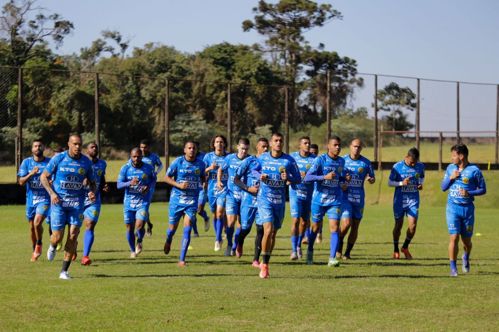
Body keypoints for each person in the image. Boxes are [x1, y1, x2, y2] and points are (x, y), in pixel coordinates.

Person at [40, 134, 96, 280]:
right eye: (75, 144)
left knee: (73, 235)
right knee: (57, 237)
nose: (78, 147)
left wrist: (91, 191)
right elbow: (43, 177)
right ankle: (52, 246)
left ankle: (64, 271)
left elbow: (93, 182)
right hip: (59, 203)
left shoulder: (86, 162)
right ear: (69, 144)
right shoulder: (59, 158)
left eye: (79, 144)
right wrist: (52, 193)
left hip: (77, 204)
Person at [255, 133, 301, 278]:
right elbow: (253, 170)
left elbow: (298, 178)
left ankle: (266, 260)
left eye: (281, 141)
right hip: (264, 200)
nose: (278, 143)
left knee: (273, 233)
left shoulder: (289, 160)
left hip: (279, 202)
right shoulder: (262, 158)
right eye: (276, 141)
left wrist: (288, 178)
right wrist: (259, 176)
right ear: (270, 143)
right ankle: (264, 264)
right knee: (267, 230)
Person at [441, 144, 486, 277]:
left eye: (454, 155)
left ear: (461, 156)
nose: (452, 158)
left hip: (467, 210)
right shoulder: (450, 168)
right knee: (454, 237)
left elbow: (483, 189)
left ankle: (466, 256)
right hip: (452, 208)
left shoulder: (474, 170)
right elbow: (443, 187)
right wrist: (451, 178)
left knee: (466, 242)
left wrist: (469, 193)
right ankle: (453, 268)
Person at [304, 136, 349, 267]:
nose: (338, 147)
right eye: (335, 145)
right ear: (328, 146)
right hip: (318, 200)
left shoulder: (341, 161)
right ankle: (310, 251)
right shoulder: (320, 160)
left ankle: (332, 258)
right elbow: (307, 178)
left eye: (339, 145)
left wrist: (343, 182)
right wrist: (324, 177)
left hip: (335, 200)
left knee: (334, 227)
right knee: (315, 227)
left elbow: (340, 178)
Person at [163, 141, 206, 266]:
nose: (192, 150)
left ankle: (182, 259)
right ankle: (168, 239)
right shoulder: (178, 162)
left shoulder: (201, 164)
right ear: (185, 150)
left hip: (192, 201)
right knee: (172, 229)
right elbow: (166, 178)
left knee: (187, 228)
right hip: (177, 201)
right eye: (189, 148)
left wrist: (204, 183)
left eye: (194, 148)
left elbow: (203, 177)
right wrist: (179, 185)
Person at [337, 138, 375, 259]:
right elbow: (336, 178)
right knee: (347, 223)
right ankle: (338, 245)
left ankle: (347, 253)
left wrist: (371, 180)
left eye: (359, 147)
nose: (356, 149)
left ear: (361, 148)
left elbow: (372, 178)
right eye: (354, 146)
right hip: (345, 197)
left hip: (359, 199)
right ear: (350, 146)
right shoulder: (342, 161)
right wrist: (342, 182)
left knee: (355, 226)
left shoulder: (366, 163)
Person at [233, 138, 268, 265]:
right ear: (257, 147)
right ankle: (240, 242)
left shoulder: (270, 162)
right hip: (248, 201)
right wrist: (249, 188)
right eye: (263, 146)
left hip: (263, 202)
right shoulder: (249, 161)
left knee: (260, 229)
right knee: (246, 228)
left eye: (267, 147)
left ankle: (255, 260)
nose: (266, 149)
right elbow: (236, 180)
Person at [117, 148, 156, 258]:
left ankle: (139, 240)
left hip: (143, 201)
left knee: (139, 225)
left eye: (138, 156)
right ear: (131, 156)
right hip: (129, 202)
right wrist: (130, 182)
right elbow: (118, 185)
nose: (136, 159)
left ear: (141, 157)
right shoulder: (125, 168)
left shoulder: (148, 168)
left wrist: (148, 187)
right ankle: (132, 250)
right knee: (129, 227)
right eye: (134, 156)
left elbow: (153, 179)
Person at [17, 139, 51, 262]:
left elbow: (56, 177)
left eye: (40, 146)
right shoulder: (26, 162)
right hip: (31, 200)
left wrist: (51, 181)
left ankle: (39, 244)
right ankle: (34, 248)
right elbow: (21, 182)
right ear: (32, 149)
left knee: (37, 222)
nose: (38, 148)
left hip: (45, 199)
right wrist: (31, 174)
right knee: (32, 227)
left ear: (44, 148)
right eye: (35, 146)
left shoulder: (50, 162)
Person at [388, 147, 425, 259]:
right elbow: (390, 182)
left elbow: (421, 178)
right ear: (406, 157)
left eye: (415, 162)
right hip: (399, 200)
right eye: (411, 162)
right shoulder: (397, 167)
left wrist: (419, 184)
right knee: (398, 225)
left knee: (412, 226)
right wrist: (401, 183)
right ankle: (395, 248)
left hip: (413, 200)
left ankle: (404, 247)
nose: (413, 165)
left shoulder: (420, 166)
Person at [218, 138, 250, 256]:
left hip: (245, 196)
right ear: (237, 147)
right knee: (231, 222)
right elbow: (220, 169)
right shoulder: (230, 158)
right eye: (242, 149)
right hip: (231, 195)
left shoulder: (251, 160)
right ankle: (230, 244)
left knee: (242, 224)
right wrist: (218, 181)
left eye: (246, 149)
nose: (244, 151)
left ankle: (237, 245)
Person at [81, 142, 109, 265]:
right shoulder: (81, 163)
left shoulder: (102, 164)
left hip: (94, 200)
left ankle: (85, 256)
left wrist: (104, 186)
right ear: (87, 150)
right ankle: (72, 246)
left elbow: (101, 178)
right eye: (92, 147)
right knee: (74, 228)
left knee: (90, 224)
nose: (94, 149)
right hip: (78, 199)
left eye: (96, 147)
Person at [289, 136, 316, 260]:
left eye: (308, 143)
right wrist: (292, 177)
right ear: (299, 145)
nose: (307, 145)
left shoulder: (315, 160)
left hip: (308, 194)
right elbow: (285, 171)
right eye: (305, 143)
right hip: (295, 193)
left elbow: (319, 175)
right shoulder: (292, 157)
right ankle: (294, 250)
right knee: (295, 220)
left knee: (305, 222)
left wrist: (309, 175)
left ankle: (299, 245)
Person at [203, 135, 229, 251]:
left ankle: (218, 239)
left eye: (221, 142)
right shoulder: (208, 157)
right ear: (213, 144)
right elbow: (200, 171)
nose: (219, 144)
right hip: (211, 189)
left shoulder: (229, 157)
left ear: (224, 144)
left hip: (224, 188)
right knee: (215, 214)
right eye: (217, 142)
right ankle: (219, 235)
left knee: (219, 213)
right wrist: (209, 168)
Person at [139, 139, 163, 236]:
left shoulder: (153, 157)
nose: (143, 149)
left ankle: (141, 228)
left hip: (150, 185)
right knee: (140, 207)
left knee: (144, 206)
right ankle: (148, 224)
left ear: (148, 147)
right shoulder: (137, 156)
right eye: (141, 147)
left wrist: (156, 172)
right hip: (139, 185)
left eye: (145, 147)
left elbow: (160, 165)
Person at [194, 141, 210, 235]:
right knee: (192, 211)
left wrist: (205, 180)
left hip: (202, 186)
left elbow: (207, 169)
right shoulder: (187, 158)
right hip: (192, 188)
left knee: (199, 210)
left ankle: (206, 217)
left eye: (195, 147)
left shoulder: (205, 156)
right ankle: (195, 232)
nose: (193, 150)